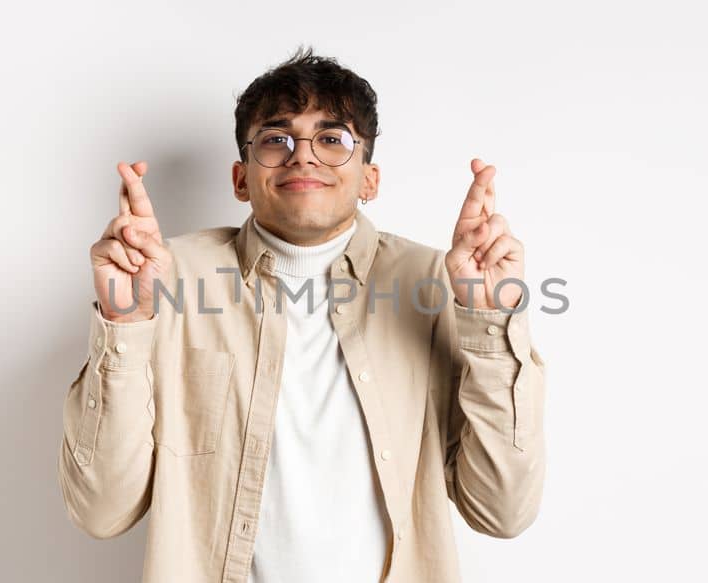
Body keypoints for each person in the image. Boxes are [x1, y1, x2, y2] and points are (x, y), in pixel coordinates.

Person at [59, 48, 547, 583]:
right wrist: (126, 321)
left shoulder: (437, 285)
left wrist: (487, 322)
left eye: (332, 139)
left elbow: (501, 512)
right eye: (276, 139)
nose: (303, 157)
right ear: (241, 179)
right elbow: (101, 512)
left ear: (370, 179)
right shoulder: (167, 279)